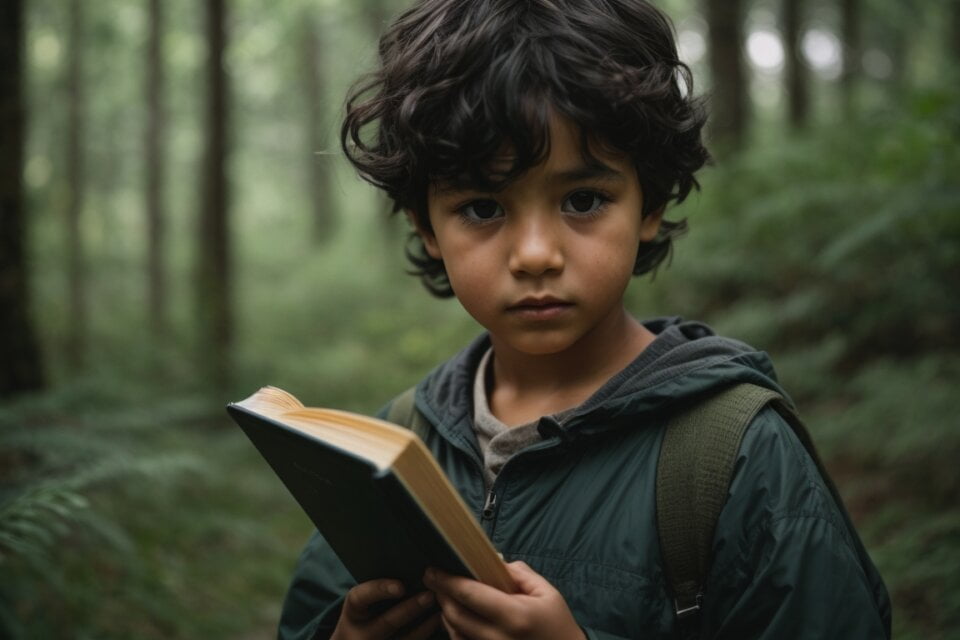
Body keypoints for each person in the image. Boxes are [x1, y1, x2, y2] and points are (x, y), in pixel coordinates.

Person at [279, 0, 892, 638]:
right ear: (426, 226)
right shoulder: (394, 449)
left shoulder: (735, 455)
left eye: (583, 200)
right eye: (483, 208)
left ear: (649, 204)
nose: (536, 255)